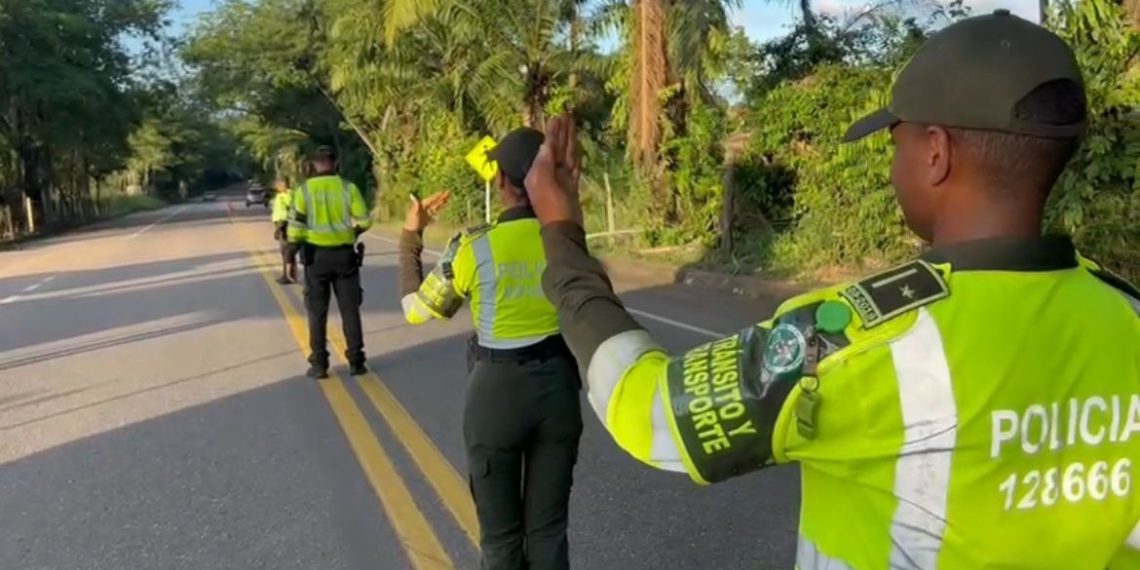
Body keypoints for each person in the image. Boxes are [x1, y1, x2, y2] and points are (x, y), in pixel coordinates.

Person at [525, 11, 1140, 570]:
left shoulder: (854, 340)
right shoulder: (1125, 316)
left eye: (896, 143)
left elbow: (649, 408)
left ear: (935, 153)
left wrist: (561, 233)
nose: (893, 165)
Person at [398, 127, 583, 570]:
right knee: (549, 530)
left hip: (496, 393)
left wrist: (411, 237)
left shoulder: (474, 247)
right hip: (558, 389)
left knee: (500, 539)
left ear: (501, 181)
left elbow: (416, 310)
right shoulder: (567, 239)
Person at [286, 145, 372, 379]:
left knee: (316, 311)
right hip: (345, 256)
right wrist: (351, 234)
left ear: (314, 164)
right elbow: (364, 220)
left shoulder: (303, 191)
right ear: (335, 163)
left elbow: (294, 230)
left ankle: (320, 364)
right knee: (350, 310)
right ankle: (356, 361)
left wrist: (290, 258)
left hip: (315, 258)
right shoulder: (348, 188)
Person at [271, 178, 298, 285]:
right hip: (282, 224)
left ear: (284, 185)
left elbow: (286, 211)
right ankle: (289, 275)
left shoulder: (286, 195)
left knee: (286, 251)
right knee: (286, 251)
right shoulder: (282, 195)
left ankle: (288, 276)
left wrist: (279, 228)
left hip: (284, 224)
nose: (277, 186)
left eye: (279, 184)